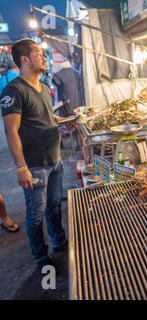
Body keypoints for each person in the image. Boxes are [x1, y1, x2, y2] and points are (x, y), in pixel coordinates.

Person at [1, 39, 76, 268]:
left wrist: (63, 121)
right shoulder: (14, 90)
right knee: (35, 214)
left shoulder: (43, 87)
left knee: (54, 206)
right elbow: (11, 131)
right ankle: (41, 256)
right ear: (25, 59)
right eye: (39, 53)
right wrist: (21, 168)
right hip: (34, 165)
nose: (44, 57)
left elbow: (45, 116)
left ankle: (59, 242)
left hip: (55, 159)